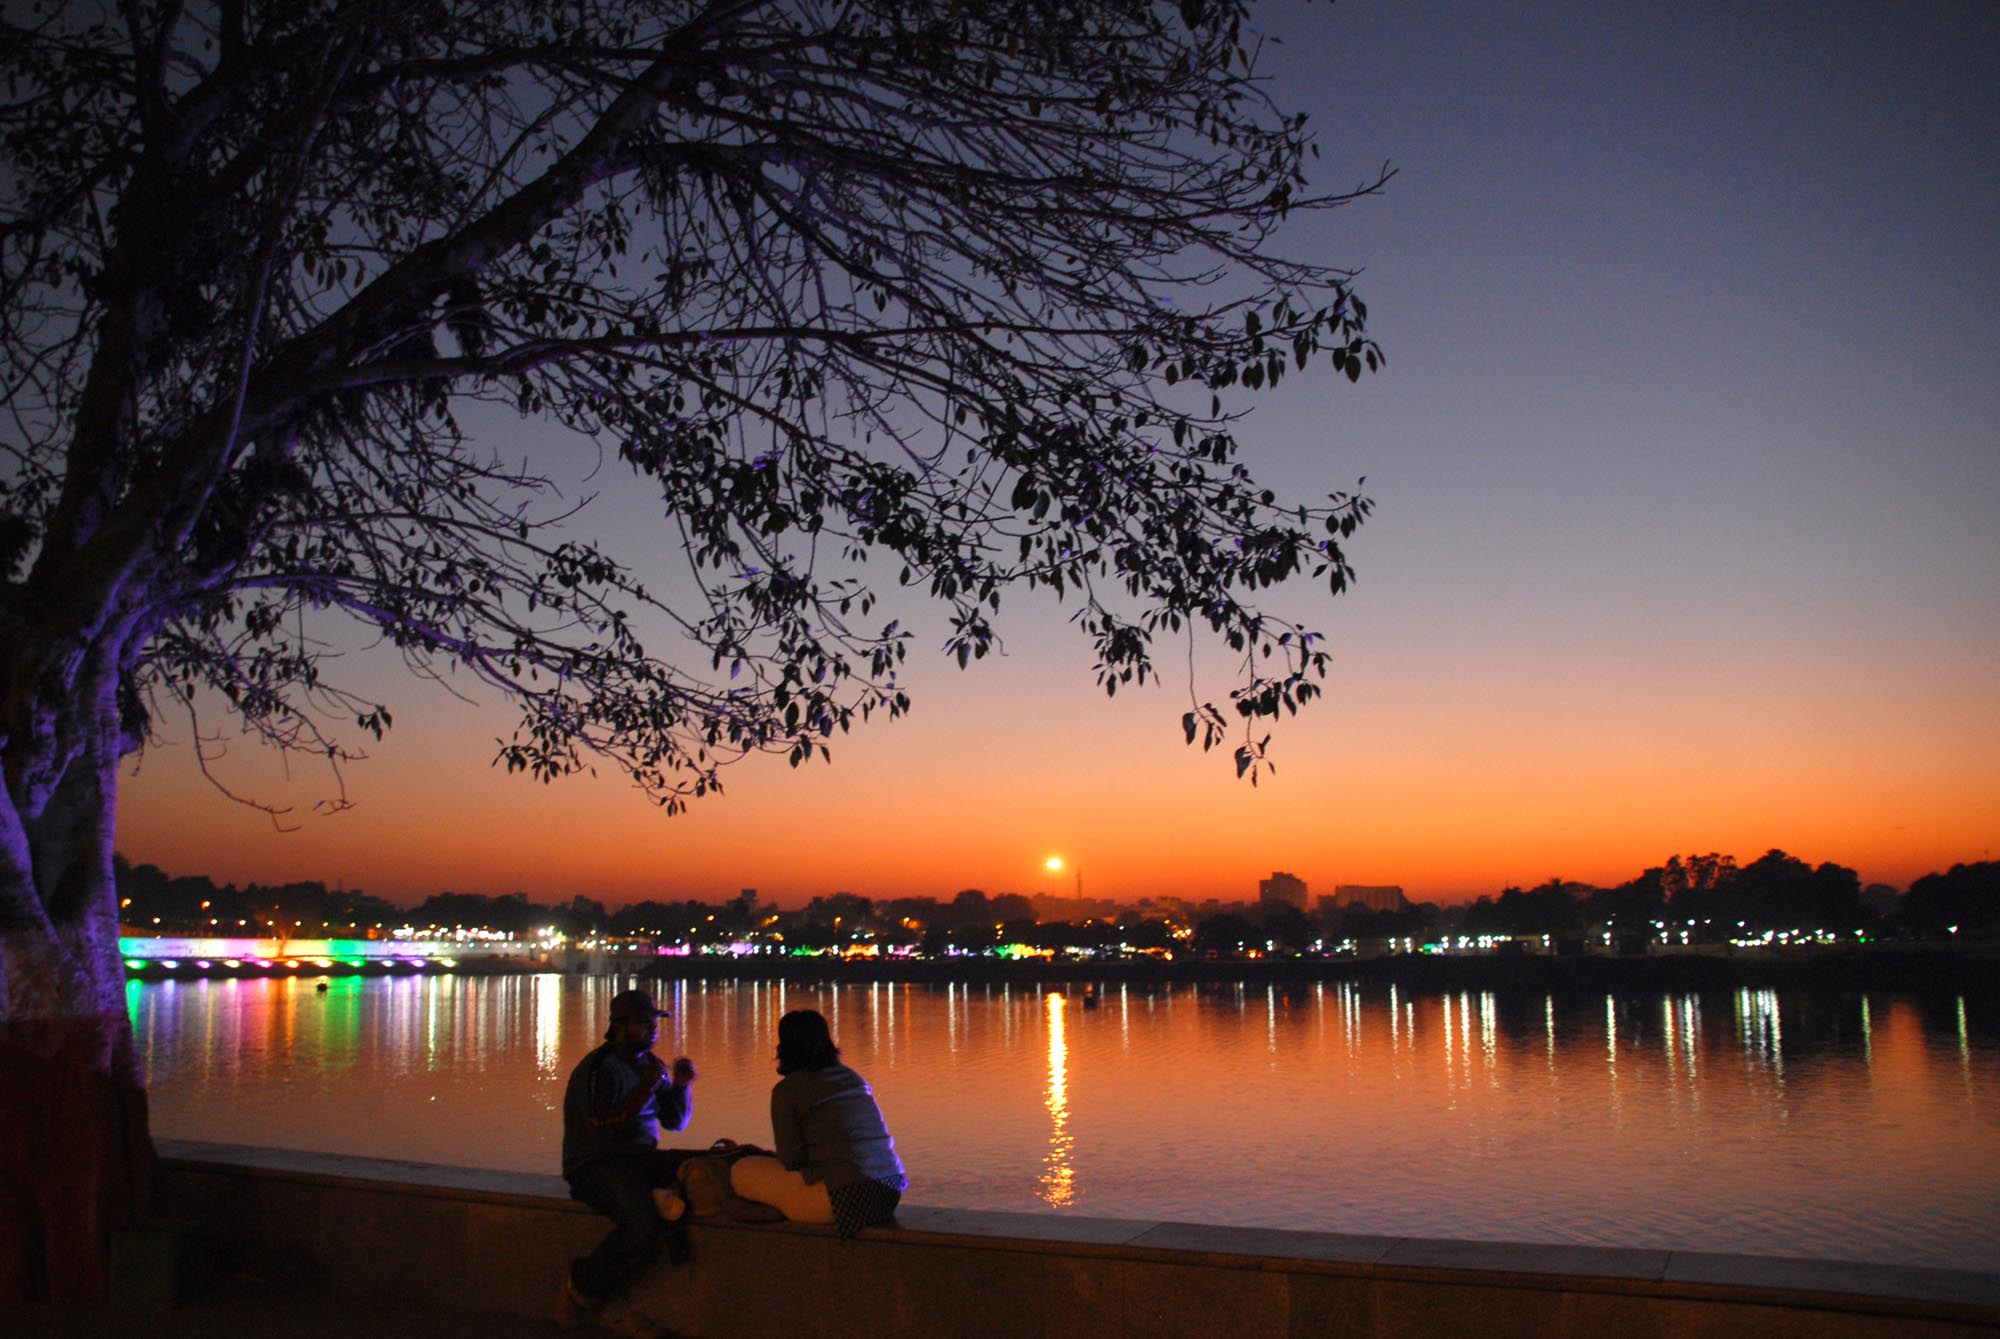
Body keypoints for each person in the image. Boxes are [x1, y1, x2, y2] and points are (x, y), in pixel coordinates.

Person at [559, 987, 697, 1321]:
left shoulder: (651, 1064)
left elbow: (674, 1121)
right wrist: (644, 1090)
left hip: (638, 1159)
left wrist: (680, 1086)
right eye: (644, 1022)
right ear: (620, 1025)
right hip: (596, 1164)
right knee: (642, 1227)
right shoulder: (599, 1069)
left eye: (655, 1022)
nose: (652, 1028)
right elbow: (600, 1125)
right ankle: (583, 1288)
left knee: (696, 1167)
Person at [728, 1009, 906, 1237]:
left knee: (740, 1170)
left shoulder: (787, 1091)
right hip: (888, 1193)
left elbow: (793, 1160)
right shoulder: (853, 1078)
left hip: (841, 1199)